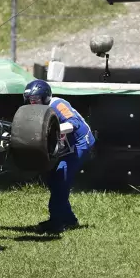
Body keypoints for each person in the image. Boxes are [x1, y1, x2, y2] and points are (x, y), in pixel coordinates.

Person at [22, 80, 96, 234]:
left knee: (60, 180)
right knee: (53, 180)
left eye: (36, 99)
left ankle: (55, 223)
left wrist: (53, 130)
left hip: (80, 144)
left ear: (45, 97)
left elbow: (73, 123)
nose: (32, 103)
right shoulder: (34, 110)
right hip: (65, 147)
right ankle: (69, 220)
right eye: (30, 100)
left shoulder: (58, 104)